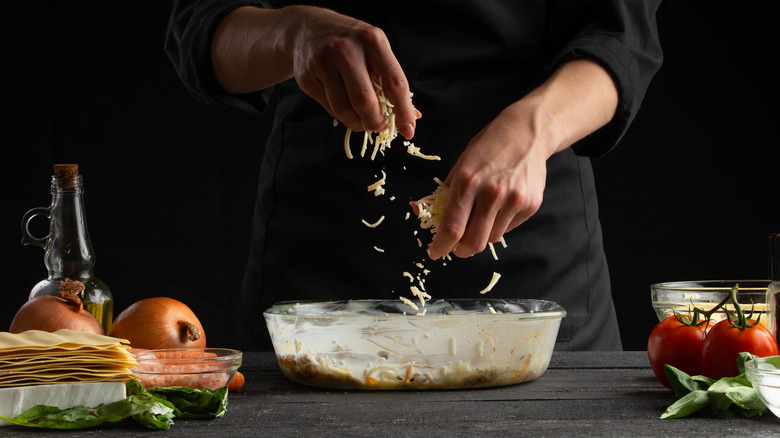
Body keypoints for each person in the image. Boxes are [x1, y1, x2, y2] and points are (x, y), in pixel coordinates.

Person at [166, 1, 663, 351]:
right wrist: (290, 34)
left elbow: (621, 36)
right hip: (322, 250)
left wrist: (535, 128)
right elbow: (202, 31)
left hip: (529, 246)